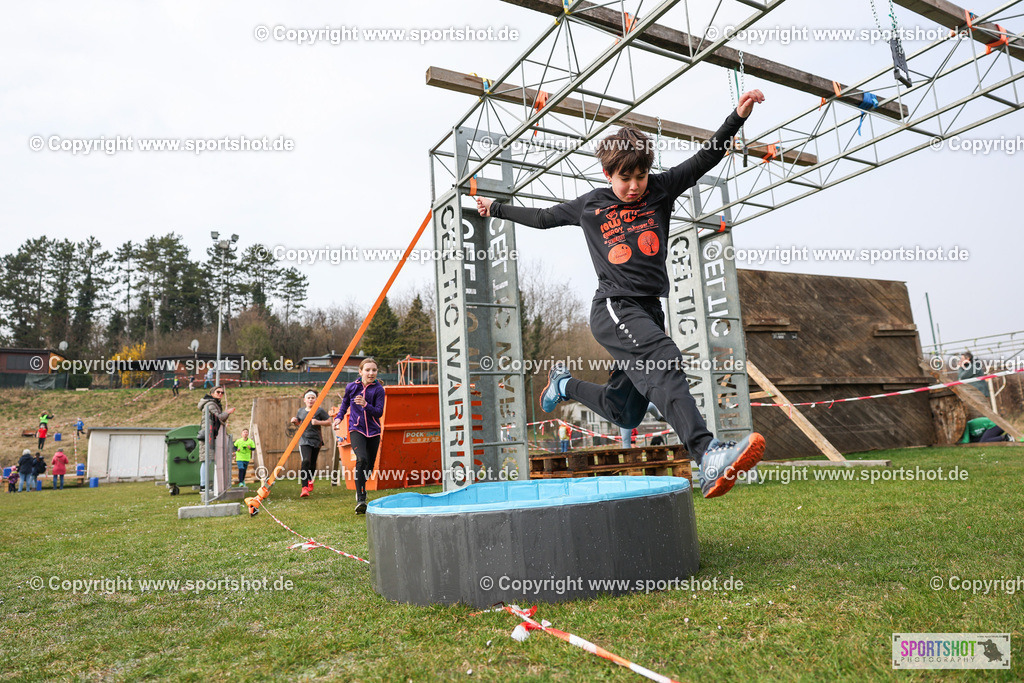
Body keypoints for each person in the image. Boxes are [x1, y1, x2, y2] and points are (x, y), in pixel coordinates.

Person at [476, 90, 767, 499]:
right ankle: (706, 454)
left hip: (648, 310)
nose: (634, 187)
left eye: (640, 177)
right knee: (664, 358)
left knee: (625, 410)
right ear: (606, 173)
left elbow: (705, 159)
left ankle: (564, 384)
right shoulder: (589, 206)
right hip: (615, 307)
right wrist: (496, 208)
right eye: (624, 179)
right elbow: (542, 218)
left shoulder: (660, 191)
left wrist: (736, 117)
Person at [335, 358, 386, 514]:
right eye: (368, 370)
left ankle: (361, 486)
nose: (371, 373)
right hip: (356, 429)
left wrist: (365, 405)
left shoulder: (378, 390)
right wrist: (339, 417)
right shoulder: (352, 387)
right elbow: (345, 403)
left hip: (374, 431)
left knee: (369, 468)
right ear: (360, 371)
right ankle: (361, 499)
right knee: (361, 459)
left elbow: (379, 412)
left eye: (374, 370)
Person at [291, 389, 332, 498]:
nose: (310, 400)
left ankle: (310, 480)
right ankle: (304, 488)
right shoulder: (300, 411)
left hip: (316, 440)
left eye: (312, 398)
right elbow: (299, 422)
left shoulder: (319, 411)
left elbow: (329, 422)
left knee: (312, 463)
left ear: (316, 400)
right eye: (308, 398)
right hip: (304, 440)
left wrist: (318, 422)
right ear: (304, 400)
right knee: (306, 461)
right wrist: (295, 421)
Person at [197, 385, 235, 492]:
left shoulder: (214, 404)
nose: (220, 394)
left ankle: (207, 485)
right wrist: (227, 412)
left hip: (211, 434)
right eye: (218, 392)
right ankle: (203, 486)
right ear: (212, 393)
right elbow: (219, 417)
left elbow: (218, 419)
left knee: (208, 460)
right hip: (208, 435)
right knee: (206, 460)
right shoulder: (210, 404)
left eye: (222, 392)